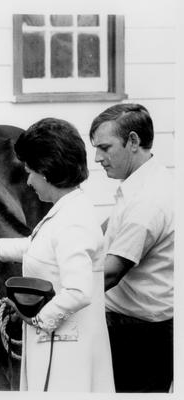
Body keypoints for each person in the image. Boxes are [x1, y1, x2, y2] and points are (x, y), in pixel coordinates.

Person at [0, 118, 114, 392]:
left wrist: (37, 320)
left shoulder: (73, 220)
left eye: (30, 172)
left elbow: (78, 292)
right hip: (58, 345)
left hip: (67, 352)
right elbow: (37, 246)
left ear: (47, 172)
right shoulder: (67, 209)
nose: (28, 181)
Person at [90, 103, 174, 392]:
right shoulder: (143, 184)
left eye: (104, 147)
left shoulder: (148, 201)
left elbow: (110, 273)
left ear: (134, 141)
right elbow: (100, 236)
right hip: (131, 328)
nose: (98, 158)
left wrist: (53, 295)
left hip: (139, 337)